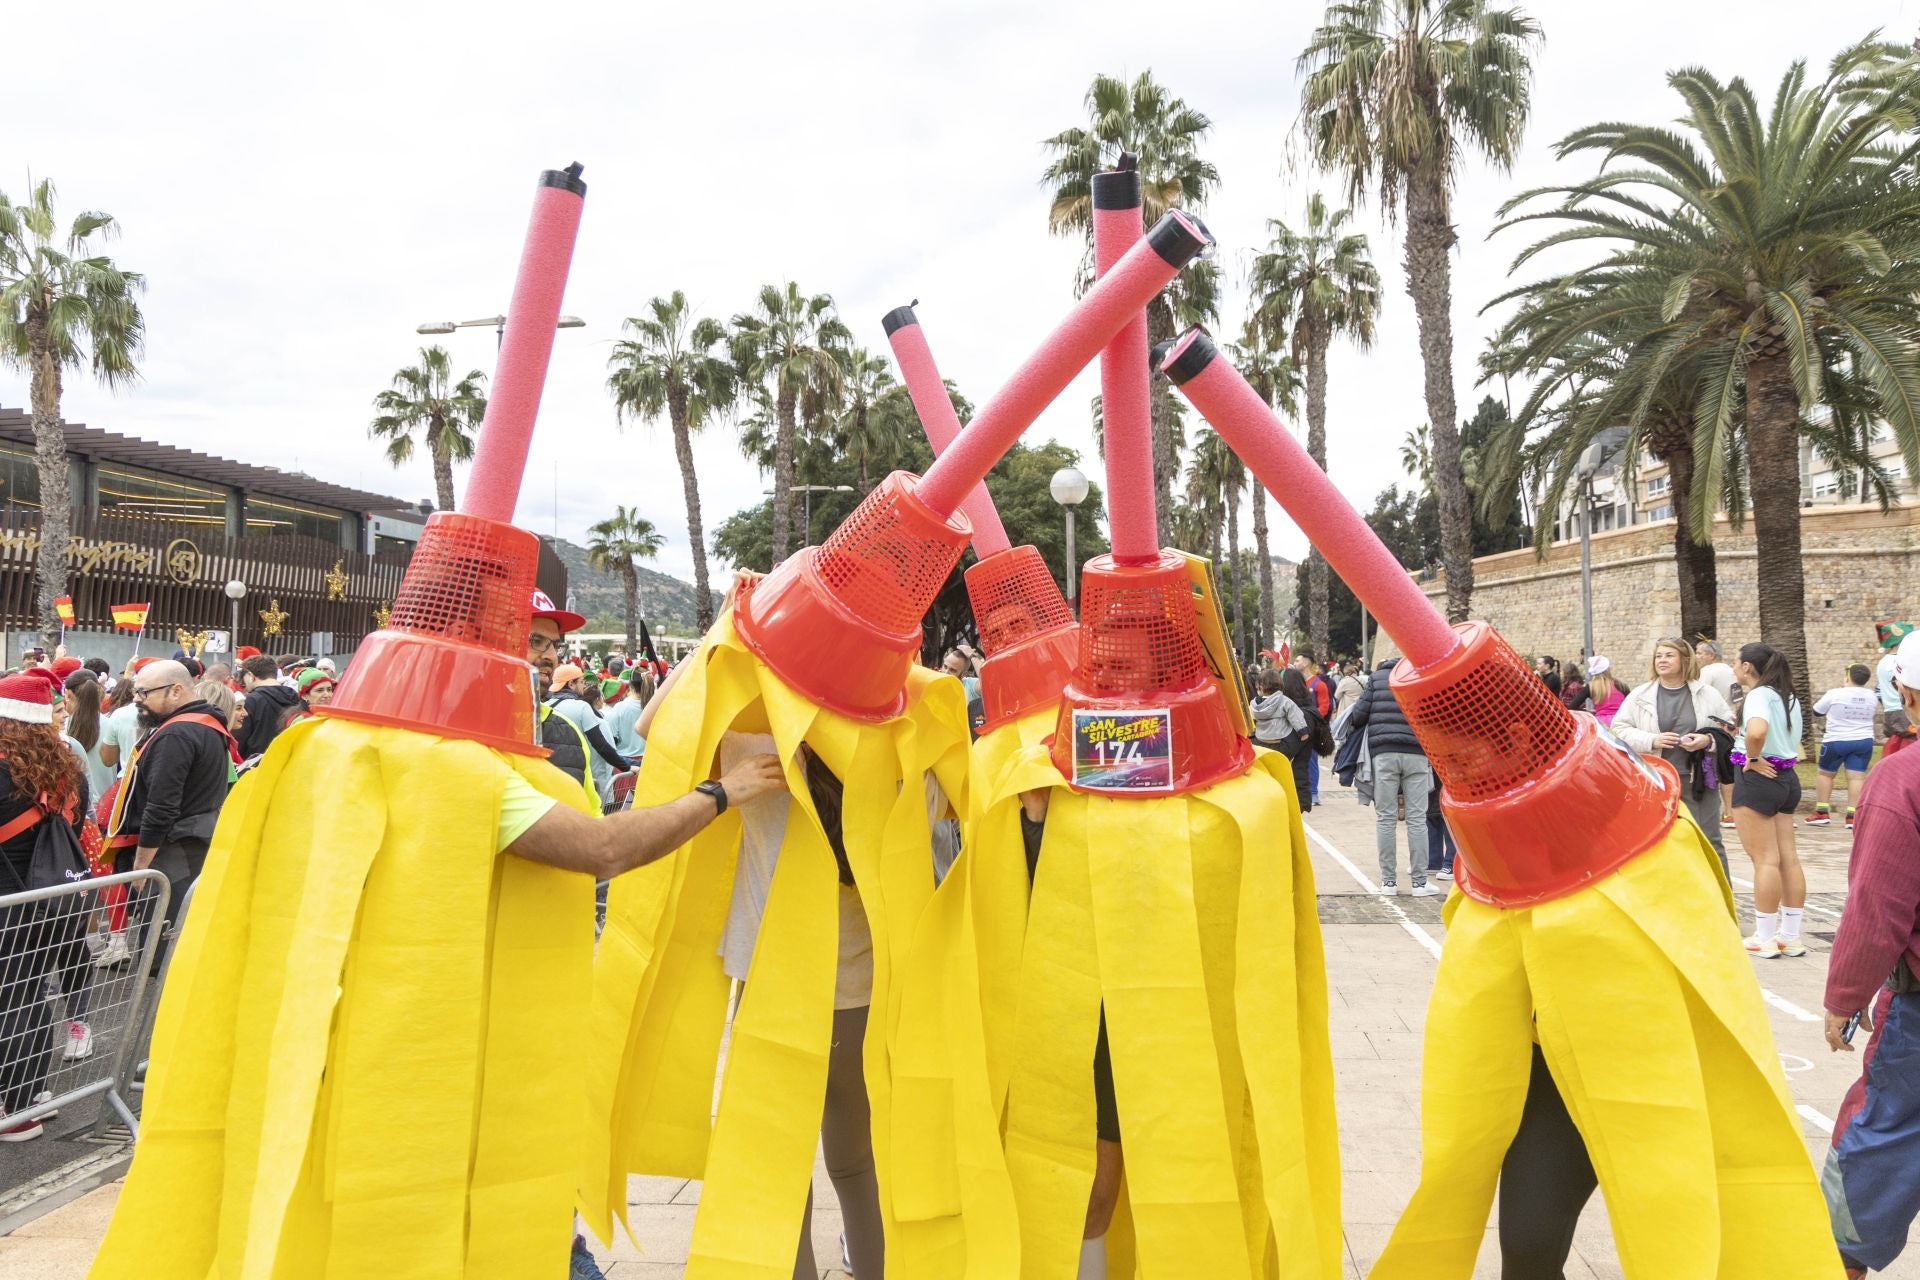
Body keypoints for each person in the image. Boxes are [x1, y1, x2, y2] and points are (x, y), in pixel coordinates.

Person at [1821, 631, 1920, 1279]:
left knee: (1878, 1136)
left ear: (1908, 693)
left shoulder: (1901, 779)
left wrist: (1842, 1000)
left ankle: (1836, 1267)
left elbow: (1877, 909)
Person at [0, 672, 89, 1140]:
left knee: (12, 997)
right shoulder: (64, 761)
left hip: (8, 899)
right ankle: (33, 1095)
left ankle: (15, 1110)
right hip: (50, 896)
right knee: (31, 991)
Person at [102, 661, 241, 946]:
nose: (137, 701)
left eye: (144, 693)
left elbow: (161, 807)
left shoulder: (177, 734)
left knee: (164, 942)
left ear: (176, 691)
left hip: (175, 851)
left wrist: (141, 868)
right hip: (194, 843)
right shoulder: (206, 723)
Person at [1612, 637, 1738, 874]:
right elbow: (1619, 729)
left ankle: (1719, 901)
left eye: (1669, 655)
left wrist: (1707, 741)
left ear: (1684, 659)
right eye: (1658, 656)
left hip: (1698, 781)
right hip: (1654, 781)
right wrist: (1652, 740)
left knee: (1708, 839)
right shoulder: (1640, 695)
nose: (1662, 660)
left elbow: (1729, 729)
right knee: (1655, 842)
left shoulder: (1707, 694)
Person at [1732, 642, 1808, 959]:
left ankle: (1763, 937)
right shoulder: (1787, 696)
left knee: (1764, 860)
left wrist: (1751, 756)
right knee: (1787, 857)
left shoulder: (1759, 695)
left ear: (1748, 667)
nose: (1733, 667)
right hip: (1787, 778)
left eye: (1736, 662)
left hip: (1759, 778)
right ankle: (1789, 936)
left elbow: (1757, 731)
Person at [1347, 657, 1440, 897]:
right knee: (1417, 818)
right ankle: (1420, 883)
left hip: (1384, 753)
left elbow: (1358, 715)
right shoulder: (1417, 678)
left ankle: (1389, 882)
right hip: (1416, 753)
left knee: (1386, 818)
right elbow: (1433, 715)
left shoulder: (1376, 680)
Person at [1812, 664, 1880, 829]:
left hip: (1836, 741)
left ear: (1848, 677)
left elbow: (1817, 711)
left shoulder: (1835, 694)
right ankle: (1852, 816)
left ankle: (1821, 812)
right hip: (1863, 741)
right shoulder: (1872, 696)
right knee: (1856, 777)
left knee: (1826, 775)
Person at [1249, 668, 1311, 808]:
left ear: (1260, 686)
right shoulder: (1284, 701)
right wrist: (1303, 733)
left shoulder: (1254, 704)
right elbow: (1296, 717)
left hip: (1261, 742)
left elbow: (1250, 720)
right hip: (1281, 743)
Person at [63, 670, 114, 811]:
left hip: (73, 807)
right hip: (106, 808)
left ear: (68, 694)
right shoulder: (112, 725)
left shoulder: (62, 727)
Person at [233, 654, 298, 759]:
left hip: (257, 766)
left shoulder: (250, 701)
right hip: (290, 762)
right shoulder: (296, 698)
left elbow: (239, 740)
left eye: (243, 677)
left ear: (250, 676)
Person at [1294, 651, 1333, 805]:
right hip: (1298, 727)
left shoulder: (1319, 684)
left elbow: (1325, 706)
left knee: (1311, 760)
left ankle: (1314, 793)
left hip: (1312, 728)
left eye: (1298, 660)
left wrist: (1311, 720)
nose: (1295, 663)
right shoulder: (1297, 683)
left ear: (1305, 663)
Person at [1876, 621, 1916, 761]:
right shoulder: (1903, 661)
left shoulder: (1883, 663)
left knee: (1896, 747)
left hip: (1890, 713)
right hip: (1906, 712)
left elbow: (1878, 691)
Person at [601, 666, 650, 764]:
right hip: (650, 763)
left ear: (630, 686)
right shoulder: (656, 705)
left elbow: (610, 738)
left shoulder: (620, 707)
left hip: (626, 765)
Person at [1584, 656, 1624, 724]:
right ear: (1608, 670)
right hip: (1620, 722)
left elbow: (1573, 706)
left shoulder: (1591, 686)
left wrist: (1588, 712)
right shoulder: (1620, 685)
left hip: (1602, 726)